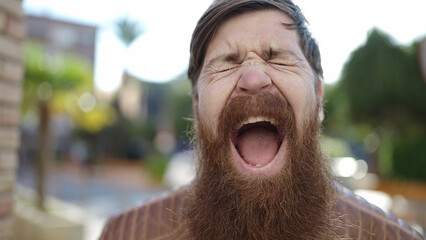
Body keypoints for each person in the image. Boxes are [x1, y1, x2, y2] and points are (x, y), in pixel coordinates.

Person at [99, 0, 424, 239]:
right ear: (197, 108)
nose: (253, 78)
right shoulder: (126, 233)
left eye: (277, 57)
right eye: (227, 61)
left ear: (319, 98)